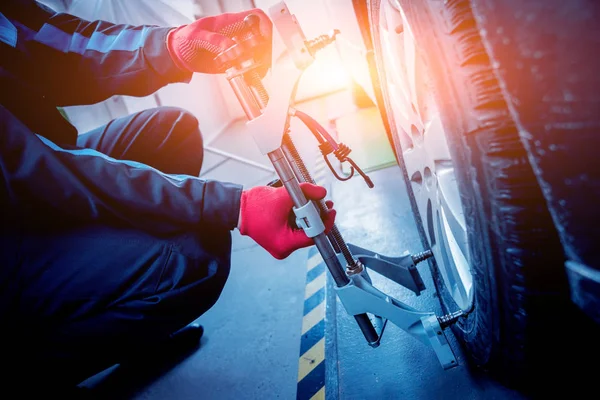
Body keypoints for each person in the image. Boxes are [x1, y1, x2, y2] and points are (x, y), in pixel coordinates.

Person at [0, 0, 336, 392]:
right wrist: (233, 206)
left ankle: (127, 320)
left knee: (172, 131)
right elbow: (40, 170)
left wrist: (175, 46)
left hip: (31, 177)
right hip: (12, 228)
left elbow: (58, 44)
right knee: (192, 262)